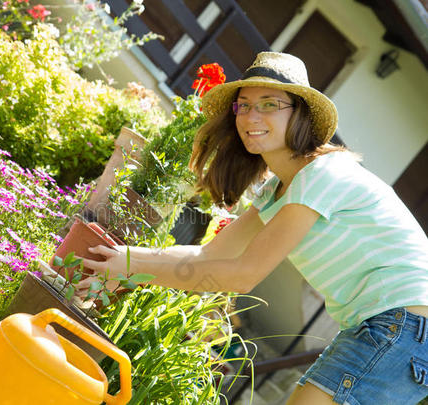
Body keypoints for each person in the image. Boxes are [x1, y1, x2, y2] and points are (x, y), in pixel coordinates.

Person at [78, 52, 428, 404]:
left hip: (404, 326)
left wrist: (131, 267)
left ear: (300, 114)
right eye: (243, 106)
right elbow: (209, 254)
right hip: (384, 327)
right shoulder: (278, 191)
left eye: (269, 104)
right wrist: (123, 259)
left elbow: (242, 275)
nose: (251, 116)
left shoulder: (322, 174)